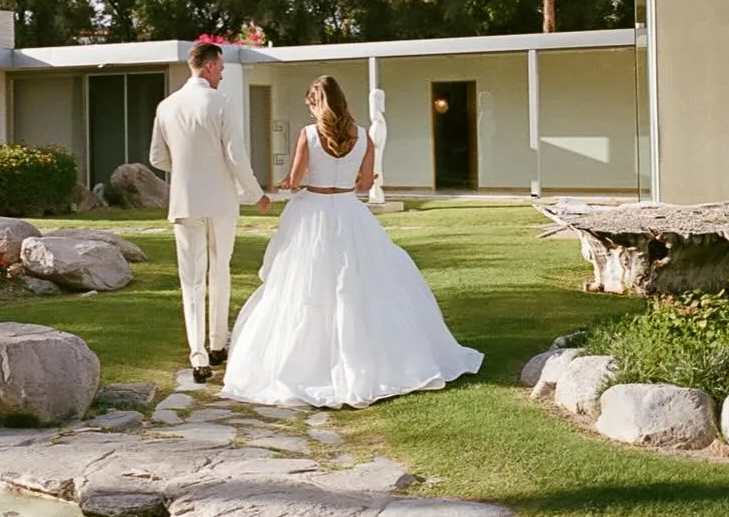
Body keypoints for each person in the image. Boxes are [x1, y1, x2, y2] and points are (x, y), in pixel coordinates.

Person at [222, 74, 482, 408]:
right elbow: (363, 185)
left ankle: (307, 363)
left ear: (316, 102)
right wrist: (355, 177)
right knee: (360, 282)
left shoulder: (308, 134)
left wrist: (287, 180)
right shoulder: (363, 137)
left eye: (310, 102)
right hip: (349, 210)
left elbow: (297, 180)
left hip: (313, 211)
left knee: (306, 285)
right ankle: (374, 359)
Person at [149, 41, 272, 382]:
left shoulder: (166, 106)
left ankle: (199, 356)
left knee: (191, 280)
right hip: (220, 201)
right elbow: (236, 155)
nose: (222, 74)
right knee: (219, 271)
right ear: (208, 65)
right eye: (220, 67)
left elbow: (157, 157)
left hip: (184, 201)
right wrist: (256, 194)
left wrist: (186, 166)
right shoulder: (221, 103)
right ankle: (218, 343)